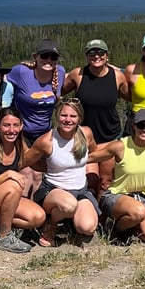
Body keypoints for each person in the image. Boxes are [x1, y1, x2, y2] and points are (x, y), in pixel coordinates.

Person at [25, 98, 99, 247]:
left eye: (73, 116)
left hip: (80, 190)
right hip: (53, 190)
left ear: (79, 118)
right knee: (69, 205)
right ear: (57, 116)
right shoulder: (47, 140)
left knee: (87, 227)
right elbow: (26, 160)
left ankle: (68, 222)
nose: (68, 120)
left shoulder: (86, 134)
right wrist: (45, 168)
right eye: (64, 115)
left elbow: (94, 154)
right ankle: (50, 223)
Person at [0, 107, 45, 253]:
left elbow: (37, 162)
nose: (11, 130)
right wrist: (7, 175)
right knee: (13, 185)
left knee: (38, 217)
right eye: (6, 125)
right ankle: (3, 237)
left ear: (21, 126)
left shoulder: (19, 145)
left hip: (5, 202)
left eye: (16, 125)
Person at [62, 39, 129, 197]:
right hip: (84, 138)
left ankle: (102, 219)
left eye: (100, 52)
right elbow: (56, 92)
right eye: (92, 52)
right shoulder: (78, 75)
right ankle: (85, 215)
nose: (96, 56)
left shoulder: (117, 76)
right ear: (86, 55)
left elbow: (132, 97)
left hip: (110, 137)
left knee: (106, 182)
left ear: (107, 56)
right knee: (88, 181)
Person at [88, 109, 145, 244]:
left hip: (140, 197)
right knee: (138, 212)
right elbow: (92, 157)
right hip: (116, 195)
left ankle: (131, 227)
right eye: (141, 125)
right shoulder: (120, 146)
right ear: (134, 126)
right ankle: (116, 230)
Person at [7, 39, 67, 197]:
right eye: (44, 56)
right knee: (26, 171)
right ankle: (21, 209)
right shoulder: (21, 72)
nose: (48, 60)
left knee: (39, 174)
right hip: (22, 132)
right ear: (36, 57)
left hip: (44, 133)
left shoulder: (59, 72)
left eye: (53, 57)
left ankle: (35, 209)